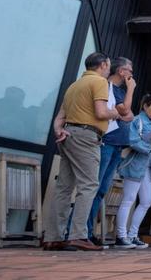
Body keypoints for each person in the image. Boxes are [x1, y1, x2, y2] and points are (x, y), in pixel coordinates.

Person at [43, 52, 120, 252]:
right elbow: (101, 112)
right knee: (89, 185)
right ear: (103, 65)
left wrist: (59, 131)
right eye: (109, 66)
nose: (109, 69)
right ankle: (78, 235)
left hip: (68, 135)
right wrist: (117, 113)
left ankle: (53, 237)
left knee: (64, 187)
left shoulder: (74, 86)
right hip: (87, 136)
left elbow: (60, 116)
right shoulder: (100, 82)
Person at [83, 56, 136, 245]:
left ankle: (88, 232)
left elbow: (129, 115)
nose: (131, 74)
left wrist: (124, 112)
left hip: (118, 145)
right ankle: (83, 231)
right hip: (107, 142)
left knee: (102, 189)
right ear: (121, 71)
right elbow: (125, 111)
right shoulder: (107, 87)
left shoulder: (119, 91)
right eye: (129, 70)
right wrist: (131, 90)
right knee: (94, 186)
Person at [113, 94, 151, 249]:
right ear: (145, 106)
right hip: (135, 164)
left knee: (146, 201)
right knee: (128, 199)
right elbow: (133, 141)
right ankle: (121, 236)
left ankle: (132, 235)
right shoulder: (137, 120)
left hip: (148, 167)